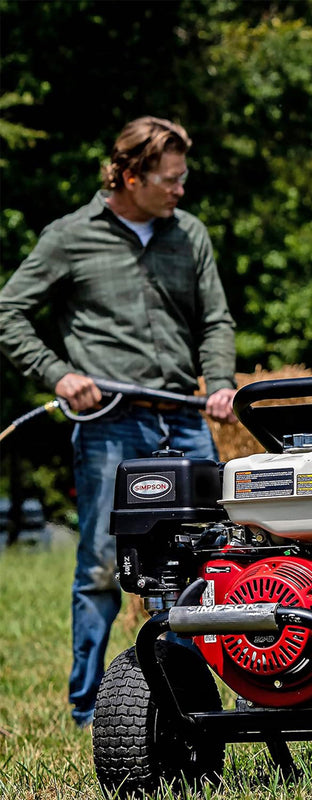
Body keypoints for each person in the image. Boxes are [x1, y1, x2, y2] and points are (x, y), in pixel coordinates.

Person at [0, 116, 238, 728]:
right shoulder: (69, 237)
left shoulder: (190, 235)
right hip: (110, 424)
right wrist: (58, 374)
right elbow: (9, 313)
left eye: (183, 179)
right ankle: (87, 707)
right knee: (105, 564)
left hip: (183, 423)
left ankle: (186, 697)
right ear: (130, 175)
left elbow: (215, 319)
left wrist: (221, 381)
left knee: (202, 559)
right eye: (169, 179)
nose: (179, 191)